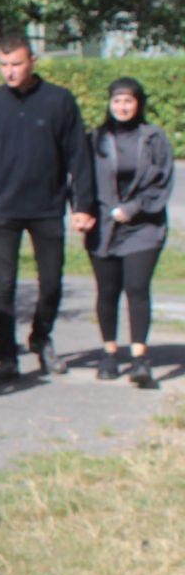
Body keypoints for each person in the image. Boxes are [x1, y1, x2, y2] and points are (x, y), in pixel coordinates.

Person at [0, 34, 90, 383]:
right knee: (3, 286)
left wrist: (82, 205)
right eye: (4, 65)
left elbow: (79, 157)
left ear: (32, 61)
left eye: (17, 64)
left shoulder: (59, 101)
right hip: (5, 208)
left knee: (51, 283)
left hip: (47, 207)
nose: (10, 71)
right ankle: (7, 358)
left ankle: (40, 336)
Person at [77, 77, 173, 387]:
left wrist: (132, 208)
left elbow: (162, 181)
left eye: (128, 101)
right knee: (107, 291)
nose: (122, 107)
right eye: (117, 101)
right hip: (103, 227)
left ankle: (140, 358)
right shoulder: (95, 139)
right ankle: (109, 353)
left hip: (144, 226)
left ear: (138, 103)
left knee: (137, 287)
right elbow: (81, 181)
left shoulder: (154, 138)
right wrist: (82, 211)